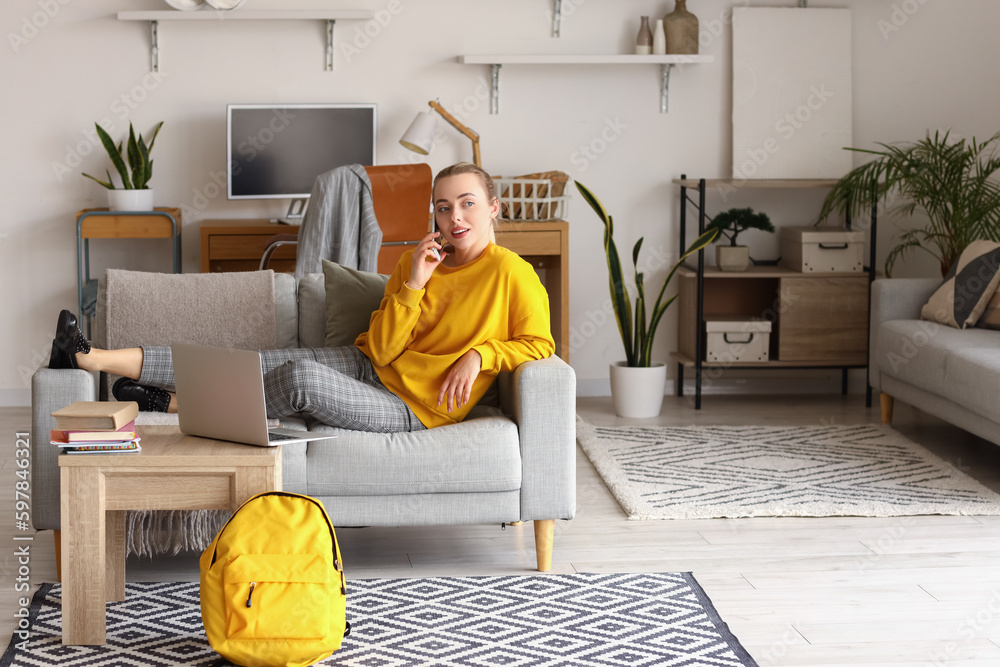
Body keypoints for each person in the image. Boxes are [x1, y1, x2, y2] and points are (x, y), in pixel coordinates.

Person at [48, 162, 555, 433]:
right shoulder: (419, 260)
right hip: (372, 366)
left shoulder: (513, 274)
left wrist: (480, 354)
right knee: (251, 360)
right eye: (443, 208)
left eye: (467, 204)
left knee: (302, 378)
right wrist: (416, 283)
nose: (455, 218)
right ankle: (92, 357)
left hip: (415, 408)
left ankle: (178, 404)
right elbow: (379, 350)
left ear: (493, 207)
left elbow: (538, 344)